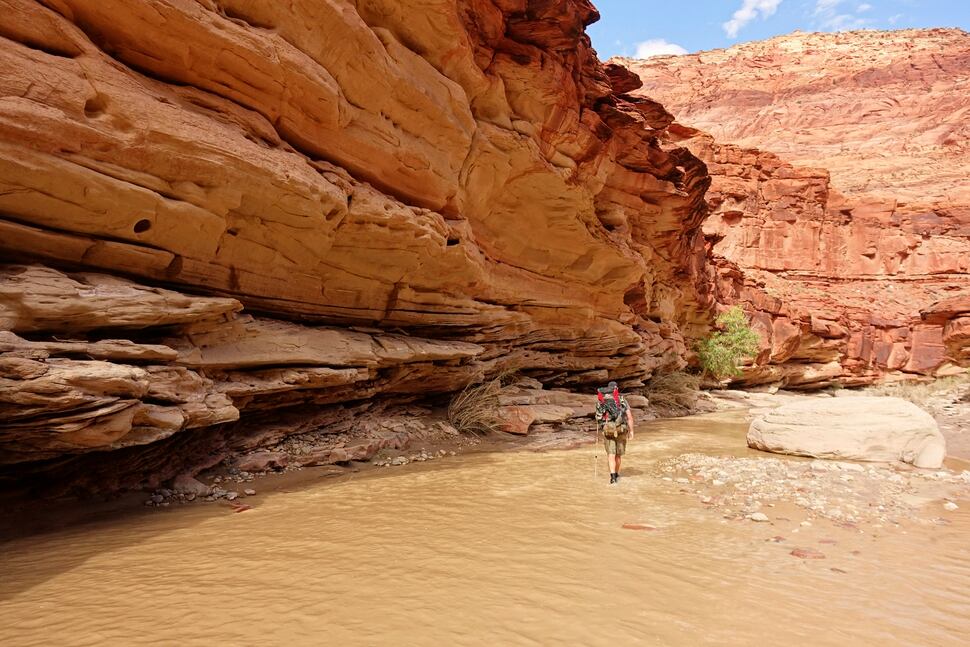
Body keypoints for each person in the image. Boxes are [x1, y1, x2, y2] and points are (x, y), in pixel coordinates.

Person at [595, 381, 635, 484]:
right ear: (616, 388)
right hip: (620, 430)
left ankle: (612, 478)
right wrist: (631, 431)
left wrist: (602, 426)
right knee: (618, 455)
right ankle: (616, 474)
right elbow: (629, 417)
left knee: (610, 454)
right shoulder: (621, 400)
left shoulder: (601, 401)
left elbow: (598, 418)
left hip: (608, 430)